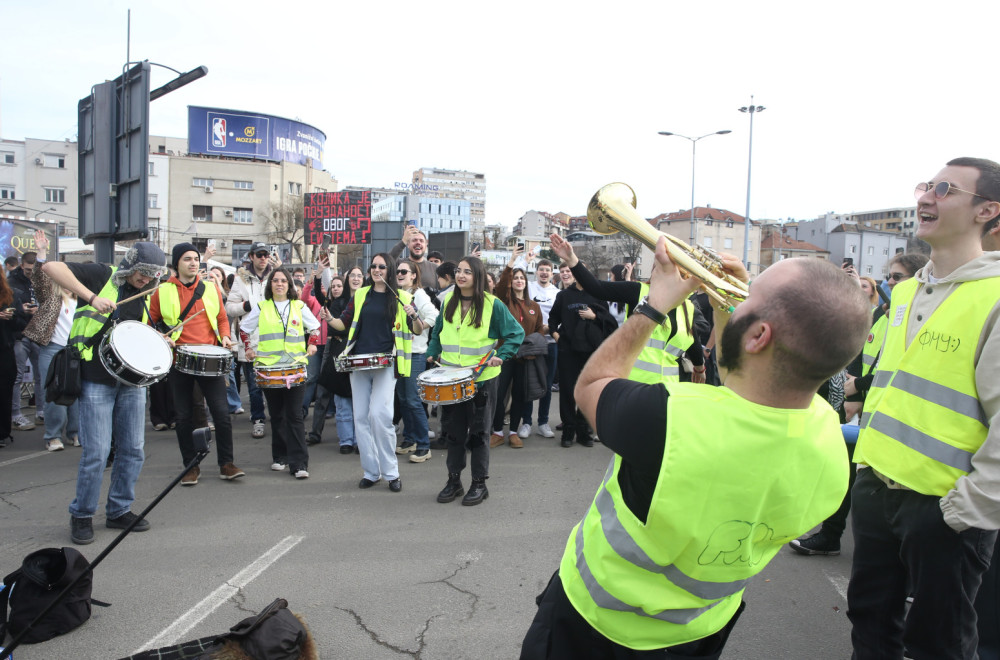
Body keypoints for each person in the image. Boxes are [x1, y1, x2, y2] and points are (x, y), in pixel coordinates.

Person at [520, 237, 871, 659]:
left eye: (748, 295)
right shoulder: (830, 443)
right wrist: (729, 305)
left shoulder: (671, 416)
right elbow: (745, 375)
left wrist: (652, 305)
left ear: (759, 335)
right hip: (701, 629)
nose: (738, 296)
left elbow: (591, 385)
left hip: (597, 626)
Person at [846, 158, 1000, 659]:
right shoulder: (907, 292)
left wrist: (962, 511)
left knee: (940, 643)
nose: (925, 198)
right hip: (876, 488)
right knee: (869, 627)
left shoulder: (995, 297)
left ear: (988, 211)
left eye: (944, 189)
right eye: (925, 186)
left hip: (941, 510)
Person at [790, 251, 930, 558]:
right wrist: (855, 396)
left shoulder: (915, 319)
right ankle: (831, 536)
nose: (888, 282)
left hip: (898, 417)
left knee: (890, 493)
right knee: (847, 475)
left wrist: (858, 389)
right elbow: (868, 361)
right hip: (869, 410)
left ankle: (906, 564)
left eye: (897, 277)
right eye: (888, 276)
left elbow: (900, 367)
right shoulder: (884, 318)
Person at [42, 242, 168, 545]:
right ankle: (82, 514)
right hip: (96, 379)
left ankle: (119, 509)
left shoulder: (147, 291)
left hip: (130, 381)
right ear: (130, 264)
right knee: (97, 453)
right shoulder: (102, 275)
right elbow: (50, 267)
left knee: (133, 449)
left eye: (152, 275)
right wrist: (92, 297)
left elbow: (130, 333)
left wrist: (156, 339)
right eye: (142, 272)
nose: (146, 279)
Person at [426, 256, 524, 506]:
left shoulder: (493, 305)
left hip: (481, 381)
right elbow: (437, 331)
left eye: (467, 272)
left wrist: (501, 357)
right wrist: (432, 350)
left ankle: (479, 484)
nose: (460, 275)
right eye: (458, 270)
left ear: (477, 276)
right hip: (450, 379)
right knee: (454, 434)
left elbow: (516, 334)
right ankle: (454, 481)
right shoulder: (448, 299)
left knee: (480, 434)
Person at [550, 233, 706, 387]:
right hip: (632, 387)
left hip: (667, 391)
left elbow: (693, 341)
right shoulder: (639, 291)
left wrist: (700, 368)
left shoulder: (687, 306)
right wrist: (571, 259)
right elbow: (597, 288)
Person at [150, 242, 242, 486]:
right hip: (179, 359)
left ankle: (227, 464)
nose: (192, 263)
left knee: (221, 414)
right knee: (183, 417)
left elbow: (222, 318)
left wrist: (225, 336)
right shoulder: (162, 291)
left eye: (195, 259)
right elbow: (151, 322)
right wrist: (163, 336)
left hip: (210, 358)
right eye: (187, 259)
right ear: (176, 264)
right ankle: (191, 466)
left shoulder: (210, 289)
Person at [328, 254, 419, 492]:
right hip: (358, 362)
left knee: (380, 416)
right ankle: (371, 471)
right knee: (361, 419)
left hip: (386, 363)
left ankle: (391, 472)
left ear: (388, 269)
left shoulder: (402, 296)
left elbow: (417, 329)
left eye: (382, 266)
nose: (377, 269)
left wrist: (414, 315)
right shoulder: (360, 295)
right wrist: (329, 318)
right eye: (374, 266)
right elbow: (343, 323)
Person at [240, 268, 319, 479]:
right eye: (276, 280)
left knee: (294, 416)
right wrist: (248, 347)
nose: (280, 284)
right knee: (276, 415)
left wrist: (312, 344)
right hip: (270, 370)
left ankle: (300, 463)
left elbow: (316, 328)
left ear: (290, 285)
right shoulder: (261, 307)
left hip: (295, 369)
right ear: (270, 285)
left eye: (284, 281)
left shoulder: (299, 305)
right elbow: (243, 328)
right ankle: (280, 456)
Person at [548, 261, 618, 448]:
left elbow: (610, 322)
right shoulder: (564, 295)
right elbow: (553, 318)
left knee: (588, 392)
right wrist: (556, 336)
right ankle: (568, 431)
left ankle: (584, 431)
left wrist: (594, 316)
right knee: (568, 392)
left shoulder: (598, 294)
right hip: (568, 351)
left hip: (591, 351)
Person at [23, 233, 79, 451]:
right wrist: (42, 252)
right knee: (54, 393)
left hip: (75, 351)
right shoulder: (50, 296)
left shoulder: (83, 298)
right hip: (52, 350)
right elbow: (39, 278)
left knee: (76, 393)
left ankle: (75, 433)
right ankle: (53, 436)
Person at [225, 242, 281, 438]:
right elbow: (229, 308)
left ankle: (277, 415)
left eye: (266, 254)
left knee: (275, 382)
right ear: (252, 257)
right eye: (259, 255)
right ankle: (258, 419)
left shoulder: (275, 276)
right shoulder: (240, 279)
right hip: (250, 340)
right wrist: (247, 305)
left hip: (273, 339)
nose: (263, 258)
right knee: (255, 385)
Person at [490, 245, 544, 448]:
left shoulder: (534, 306)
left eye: (522, 278)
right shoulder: (504, 301)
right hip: (504, 356)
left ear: (526, 282)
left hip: (525, 358)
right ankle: (496, 431)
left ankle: (513, 431)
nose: (518, 281)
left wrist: (532, 342)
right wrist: (512, 262)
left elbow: (540, 329)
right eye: (515, 279)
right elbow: (502, 285)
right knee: (499, 393)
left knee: (520, 395)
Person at [310, 267, 361, 453]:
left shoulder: (368, 301)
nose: (355, 279)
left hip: (361, 355)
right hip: (338, 354)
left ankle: (359, 440)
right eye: (352, 276)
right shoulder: (339, 302)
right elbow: (334, 328)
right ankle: (346, 440)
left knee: (359, 402)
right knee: (341, 400)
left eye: (359, 276)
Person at [393, 259, 439, 462]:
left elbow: (435, 315)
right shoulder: (396, 294)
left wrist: (419, 325)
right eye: (397, 271)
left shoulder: (418, 294)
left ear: (414, 275)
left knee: (413, 400)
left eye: (404, 271)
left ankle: (423, 445)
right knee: (403, 399)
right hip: (399, 354)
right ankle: (410, 439)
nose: (400, 274)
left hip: (415, 354)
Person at [521, 257, 560, 439]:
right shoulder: (528, 288)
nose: (544, 273)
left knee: (547, 382)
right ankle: (526, 422)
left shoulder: (557, 293)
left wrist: (551, 329)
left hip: (550, 343)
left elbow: (560, 318)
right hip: (531, 343)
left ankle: (543, 422)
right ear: (536, 271)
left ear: (552, 274)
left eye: (548, 270)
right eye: (541, 269)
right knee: (528, 382)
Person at [9, 250, 40, 430]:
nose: (30, 273)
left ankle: (41, 413)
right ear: (22, 266)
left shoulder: (41, 281)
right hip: (20, 334)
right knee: (17, 377)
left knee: (42, 376)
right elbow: (9, 309)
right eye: (28, 270)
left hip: (37, 334)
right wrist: (21, 310)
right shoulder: (12, 282)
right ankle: (16, 415)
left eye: (33, 270)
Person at [0, 265, 27, 449]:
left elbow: (22, 323)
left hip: (5, 348)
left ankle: (3, 432)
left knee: (4, 392)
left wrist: (10, 318)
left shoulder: (10, 295)